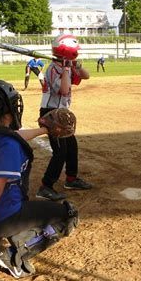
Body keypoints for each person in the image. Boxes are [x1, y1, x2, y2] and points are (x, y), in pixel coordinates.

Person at [0, 80, 78, 278]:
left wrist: (45, 130)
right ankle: (14, 255)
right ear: (6, 109)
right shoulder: (7, 144)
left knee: (12, 206)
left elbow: (15, 136)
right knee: (68, 215)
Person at [36, 34, 93, 201]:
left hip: (62, 114)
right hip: (51, 113)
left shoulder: (66, 65)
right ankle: (45, 186)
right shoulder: (53, 69)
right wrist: (67, 69)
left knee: (72, 148)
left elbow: (86, 75)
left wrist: (75, 65)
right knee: (60, 152)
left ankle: (71, 179)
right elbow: (64, 90)